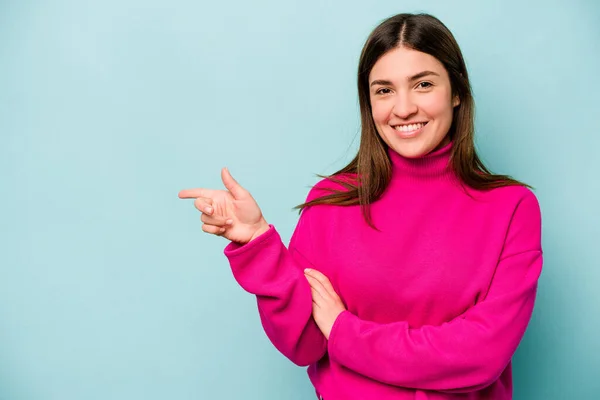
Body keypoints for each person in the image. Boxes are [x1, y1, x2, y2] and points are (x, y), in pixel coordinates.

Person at [178, 12, 543, 400]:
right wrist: (257, 244)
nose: (403, 109)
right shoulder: (332, 200)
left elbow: (479, 357)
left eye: (422, 85)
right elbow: (304, 344)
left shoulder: (511, 208)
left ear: (456, 92)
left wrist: (344, 331)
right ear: (368, 102)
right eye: (384, 90)